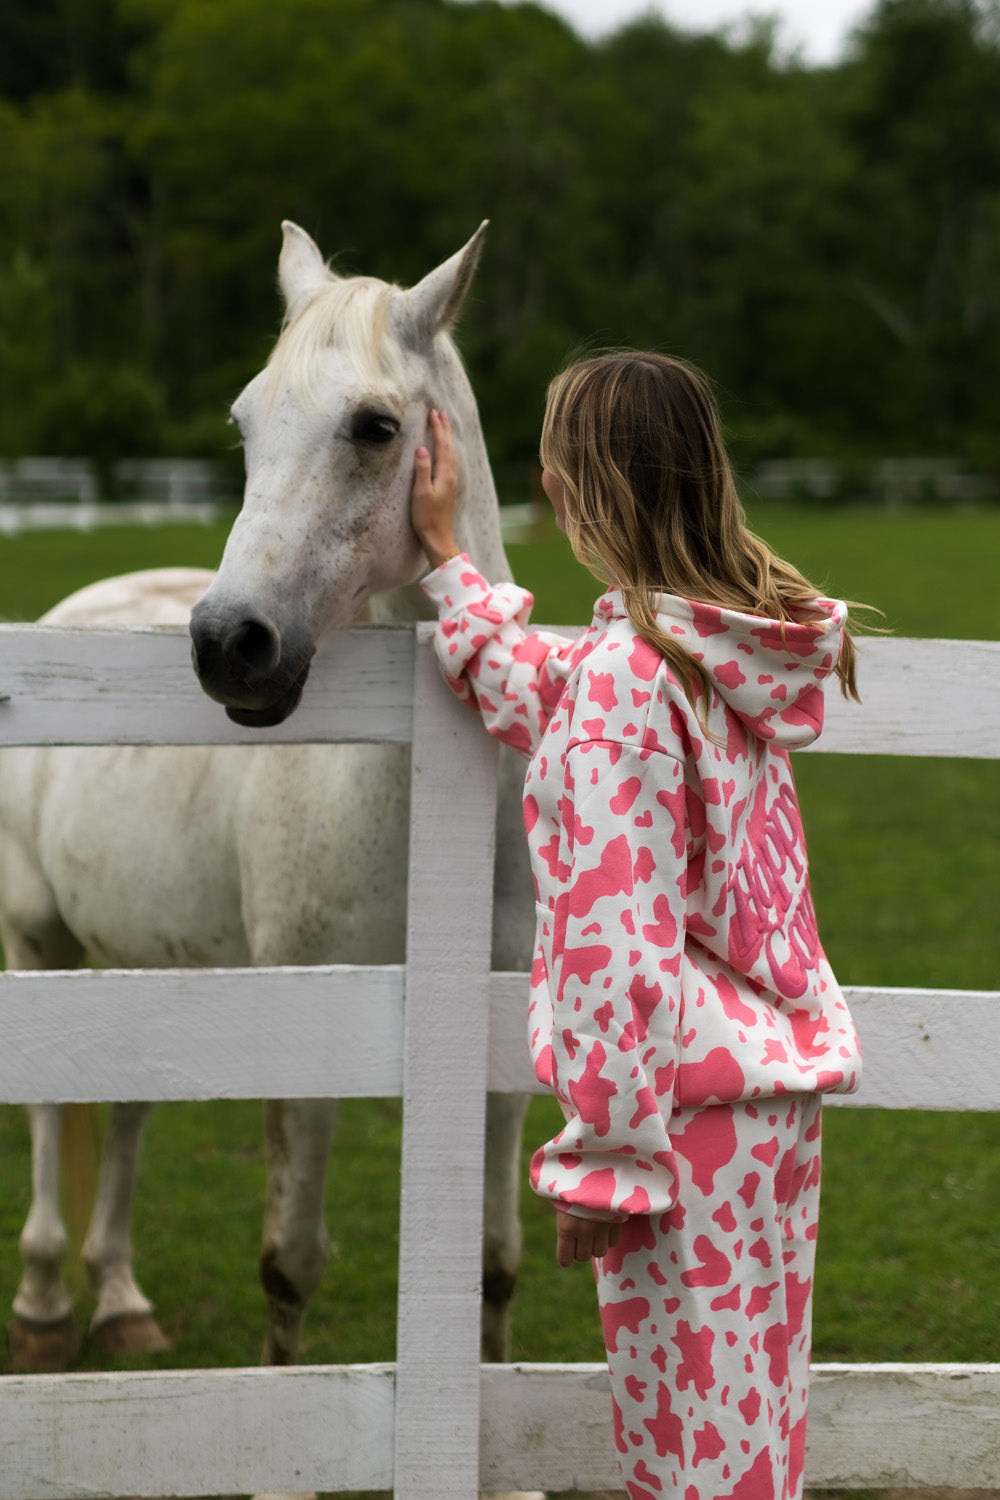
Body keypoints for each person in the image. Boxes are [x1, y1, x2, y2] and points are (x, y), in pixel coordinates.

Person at [411, 351, 862, 1500]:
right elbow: (542, 684)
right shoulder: (715, 653)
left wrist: (606, 1162)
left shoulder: (627, 681)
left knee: (687, 1458)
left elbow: (615, 951)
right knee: (752, 1435)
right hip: (770, 1117)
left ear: (573, 487)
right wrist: (452, 565)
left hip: (680, 1134)